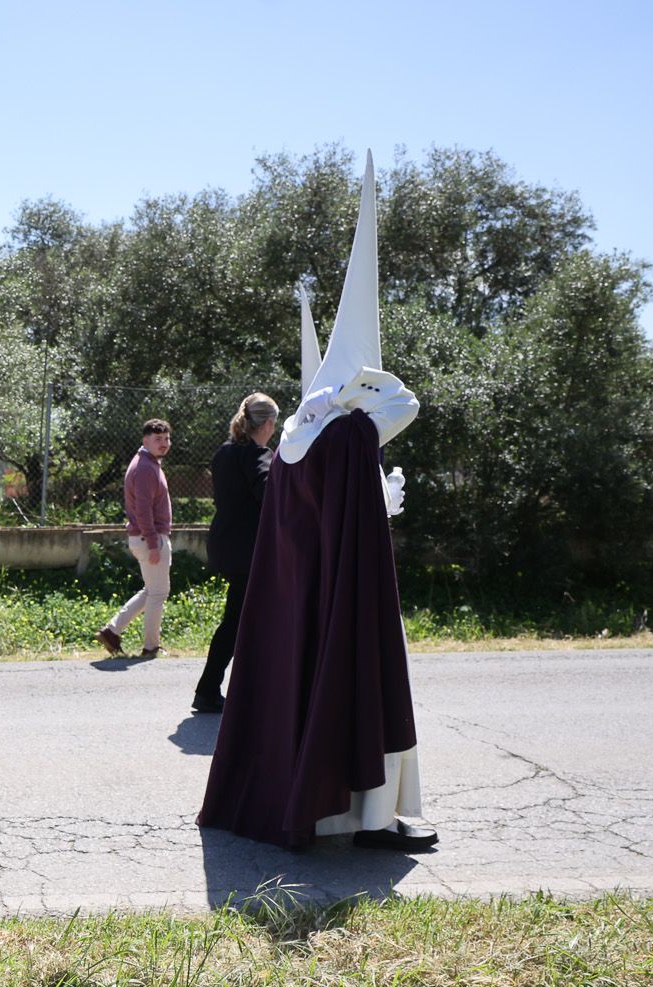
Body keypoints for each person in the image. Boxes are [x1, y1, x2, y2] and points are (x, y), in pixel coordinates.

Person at [199, 152, 436, 852]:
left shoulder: (301, 435)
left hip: (303, 589)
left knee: (301, 680)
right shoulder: (355, 434)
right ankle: (369, 816)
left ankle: (324, 807)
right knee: (363, 684)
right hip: (350, 590)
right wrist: (364, 385)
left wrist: (334, 396)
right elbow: (407, 400)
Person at [191, 394, 277, 711]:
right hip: (249, 551)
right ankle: (218, 690)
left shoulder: (225, 452)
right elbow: (269, 493)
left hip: (226, 545)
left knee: (239, 621)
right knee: (242, 622)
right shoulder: (257, 454)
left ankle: (212, 689)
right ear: (268, 424)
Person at [96, 419, 173, 660]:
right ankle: (151, 647)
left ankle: (112, 631)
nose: (164, 444)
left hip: (146, 537)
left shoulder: (148, 464)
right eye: (158, 439)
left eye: (167, 439)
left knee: (151, 590)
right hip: (149, 537)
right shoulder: (145, 468)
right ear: (145, 440)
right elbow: (143, 510)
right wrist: (153, 542)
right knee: (158, 593)